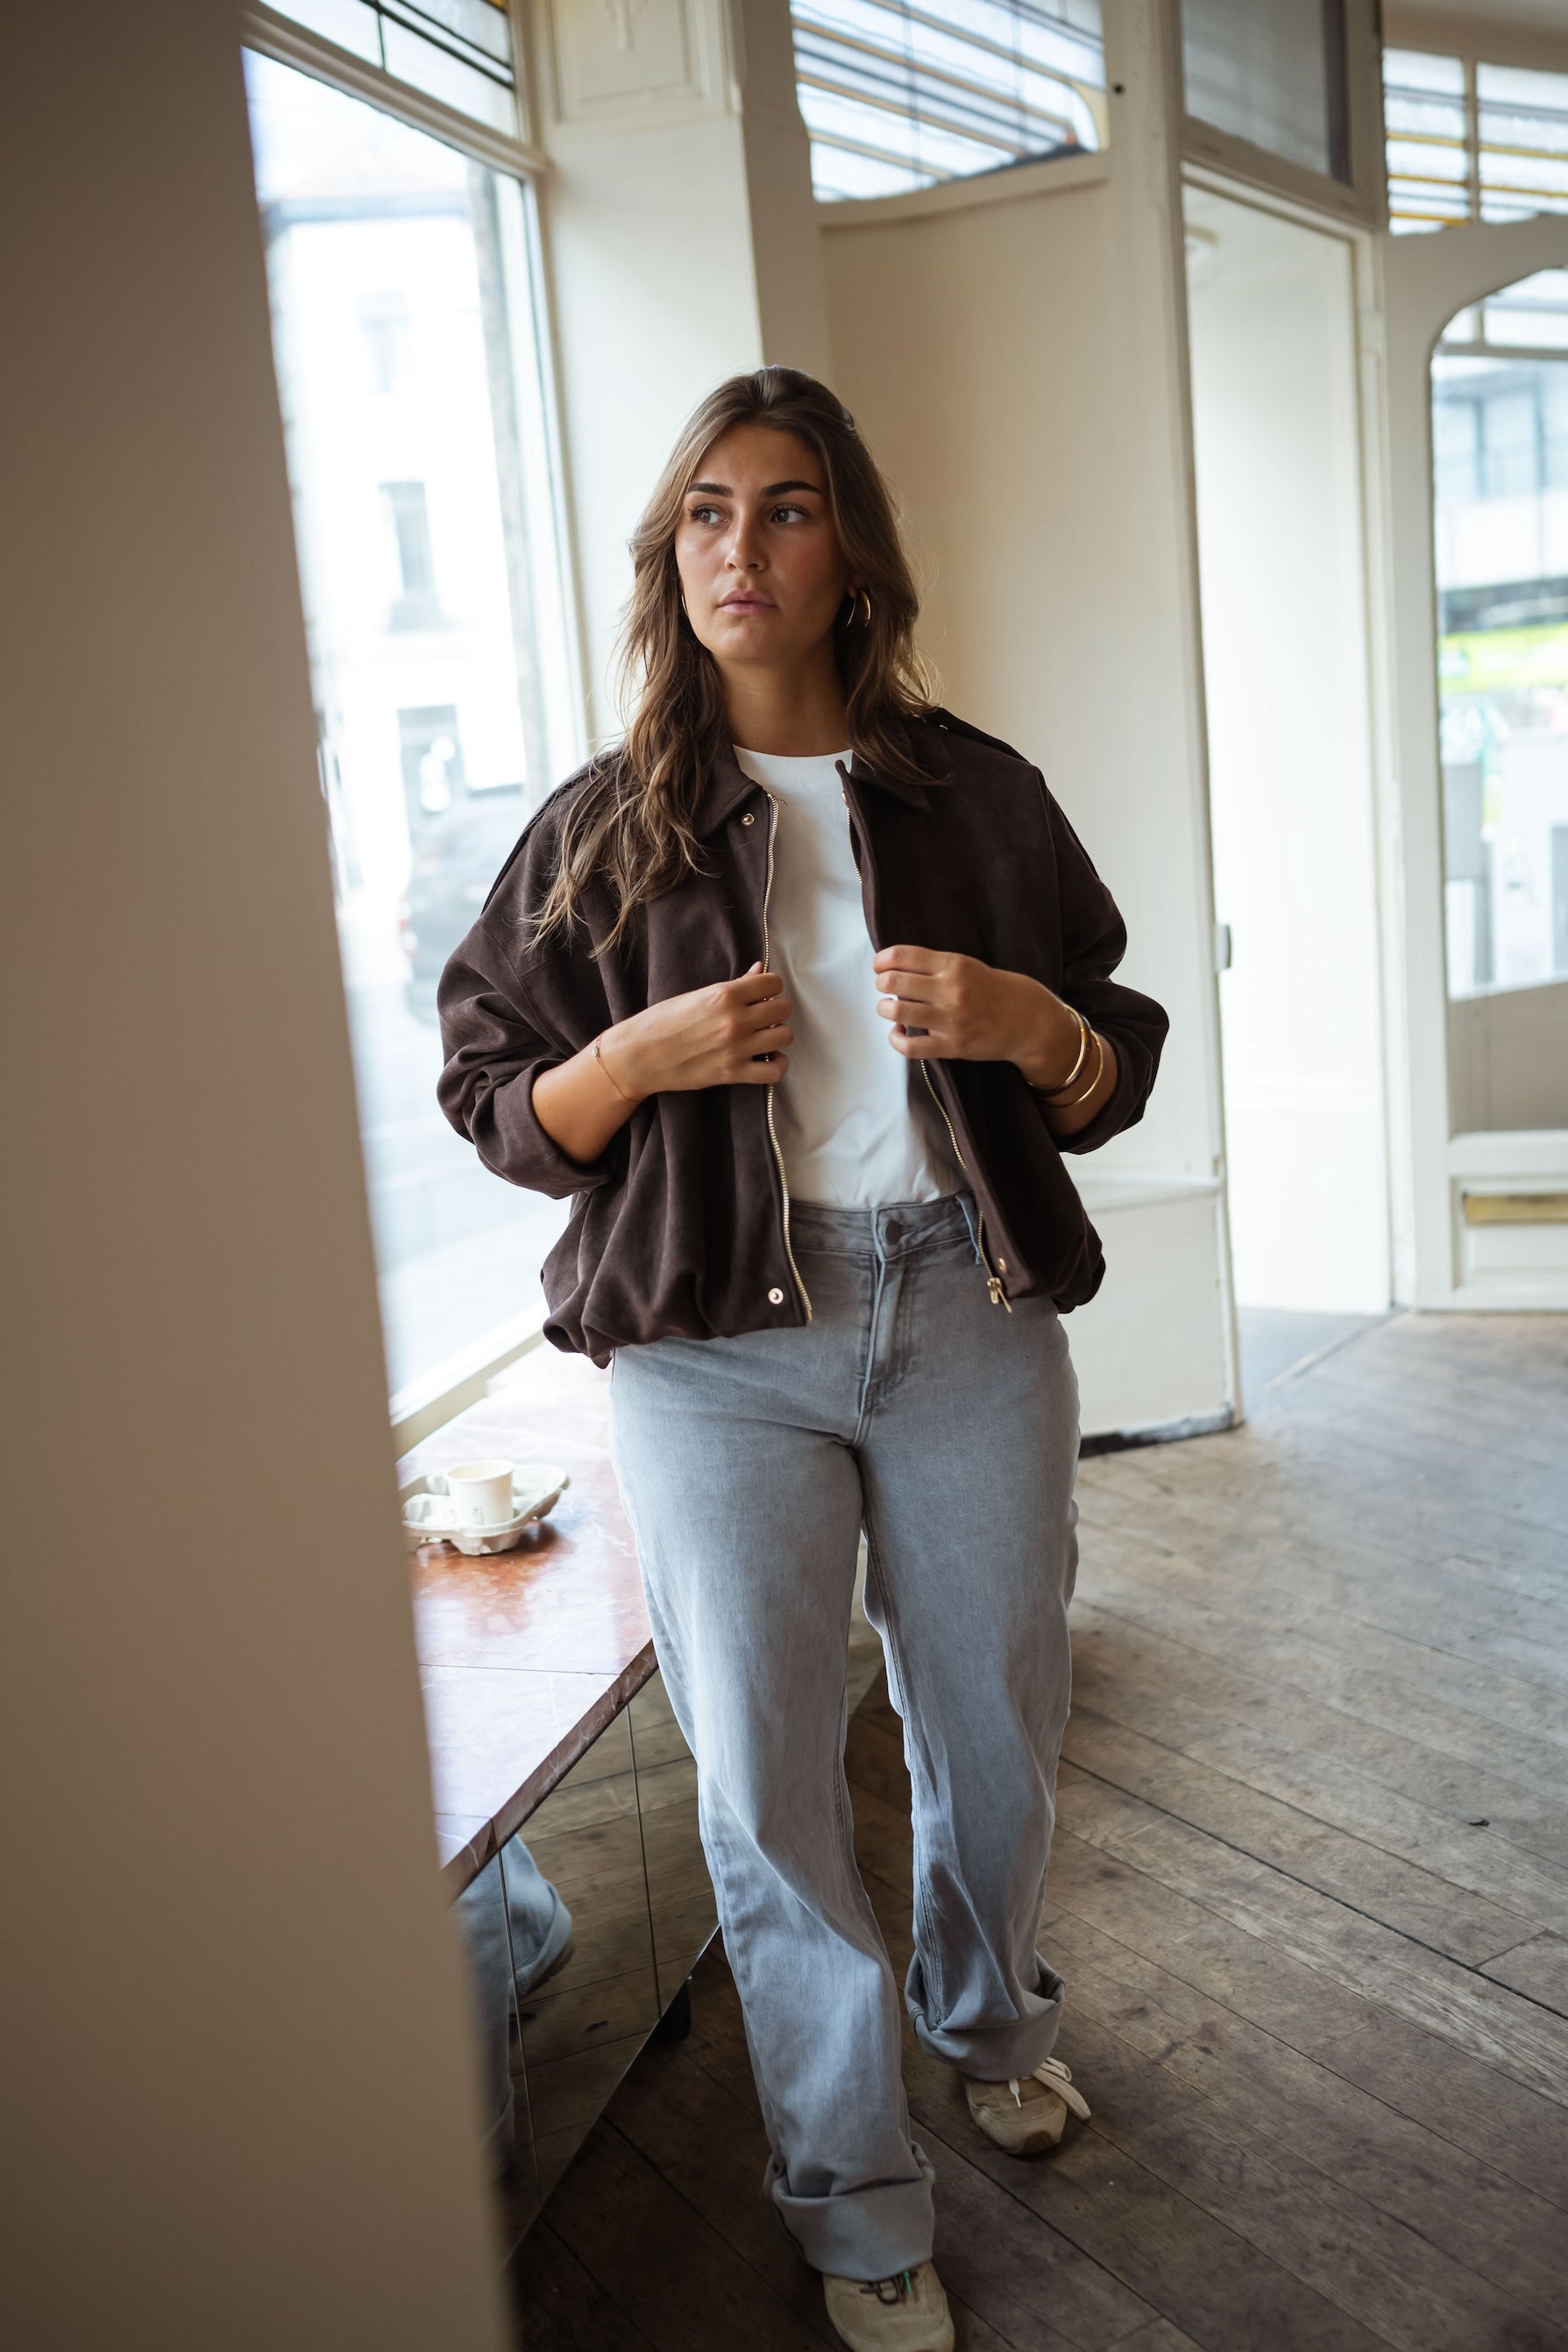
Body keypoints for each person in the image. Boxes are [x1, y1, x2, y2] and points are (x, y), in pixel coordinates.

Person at [437, 367, 1167, 2352]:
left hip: (965, 1312)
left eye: (781, 511)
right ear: (665, 561)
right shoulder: (601, 829)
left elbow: (1111, 1061)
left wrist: (1027, 1020)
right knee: (765, 1786)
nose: (736, 551)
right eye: (701, 516)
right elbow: (491, 1096)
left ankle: (991, 2016)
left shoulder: (979, 793)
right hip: (711, 1353)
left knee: (996, 1720)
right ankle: (852, 2199)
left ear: (851, 553)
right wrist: (637, 1057)